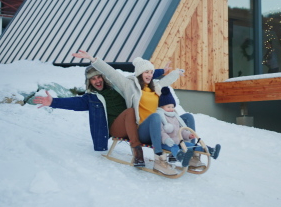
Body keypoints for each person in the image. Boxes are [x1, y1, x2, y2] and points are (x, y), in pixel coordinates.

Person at [72, 50, 194, 176]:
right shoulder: (129, 86)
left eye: (151, 72)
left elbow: (166, 81)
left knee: (188, 117)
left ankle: (193, 153)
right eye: (147, 72)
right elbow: (111, 73)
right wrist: (92, 59)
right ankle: (159, 160)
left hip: (160, 130)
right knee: (155, 117)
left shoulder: (155, 87)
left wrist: (176, 73)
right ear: (140, 73)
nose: (150, 75)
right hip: (142, 129)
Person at [33, 65, 164, 167]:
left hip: (132, 125)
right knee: (130, 111)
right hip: (116, 128)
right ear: (89, 82)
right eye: (93, 79)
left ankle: (171, 149)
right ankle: (137, 150)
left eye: (98, 77)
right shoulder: (91, 98)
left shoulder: (117, 87)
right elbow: (75, 103)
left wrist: (161, 71)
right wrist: (53, 102)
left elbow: (137, 78)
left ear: (103, 77)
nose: (97, 81)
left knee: (157, 116)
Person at [156, 87, 220, 169]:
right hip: (168, 143)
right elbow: (161, 132)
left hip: (179, 141)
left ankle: (210, 151)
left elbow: (180, 130)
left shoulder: (175, 117)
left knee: (191, 145)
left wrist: (188, 135)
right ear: (161, 107)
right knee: (175, 148)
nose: (171, 109)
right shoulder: (160, 117)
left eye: (172, 107)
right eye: (168, 107)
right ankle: (182, 158)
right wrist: (167, 140)